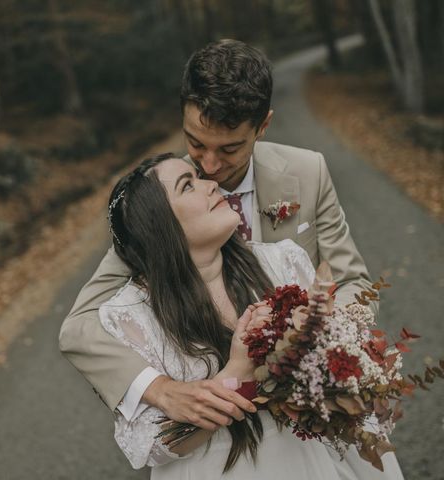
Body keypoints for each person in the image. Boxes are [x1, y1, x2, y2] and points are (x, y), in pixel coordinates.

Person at [59, 38, 374, 435]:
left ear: (263, 126)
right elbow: (78, 326)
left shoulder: (308, 173)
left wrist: (316, 347)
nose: (208, 165)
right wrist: (160, 389)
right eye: (195, 143)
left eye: (229, 148)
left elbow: (352, 283)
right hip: (213, 432)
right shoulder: (160, 207)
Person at [96, 153, 403, 478]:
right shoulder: (130, 316)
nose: (212, 185)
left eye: (199, 177)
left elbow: (332, 360)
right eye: (188, 186)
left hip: (310, 457)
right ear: (157, 225)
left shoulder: (282, 260)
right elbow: (152, 445)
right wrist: (238, 373)